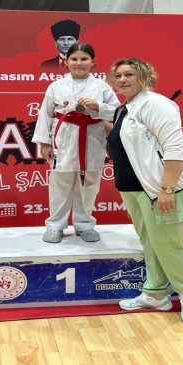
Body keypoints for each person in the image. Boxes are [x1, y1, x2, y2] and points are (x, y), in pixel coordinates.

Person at [106, 57, 183, 323]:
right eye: (118, 75)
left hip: (160, 189)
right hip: (133, 189)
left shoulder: (156, 104)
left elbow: (175, 148)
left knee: (168, 243)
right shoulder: (125, 109)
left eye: (129, 74)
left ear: (144, 76)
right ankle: (156, 293)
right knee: (151, 243)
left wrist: (167, 189)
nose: (122, 79)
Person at [32, 43, 120, 243]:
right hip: (63, 137)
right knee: (59, 184)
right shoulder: (56, 86)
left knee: (89, 184)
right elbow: (45, 115)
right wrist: (44, 144)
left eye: (84, 59)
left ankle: (84, 224)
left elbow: (117, 112)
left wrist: (97, 106)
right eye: (74, 59)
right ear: (66, 62)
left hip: (92, 136)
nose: (79, 63)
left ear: (93, 62)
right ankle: (55, 225)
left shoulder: (102, 86)